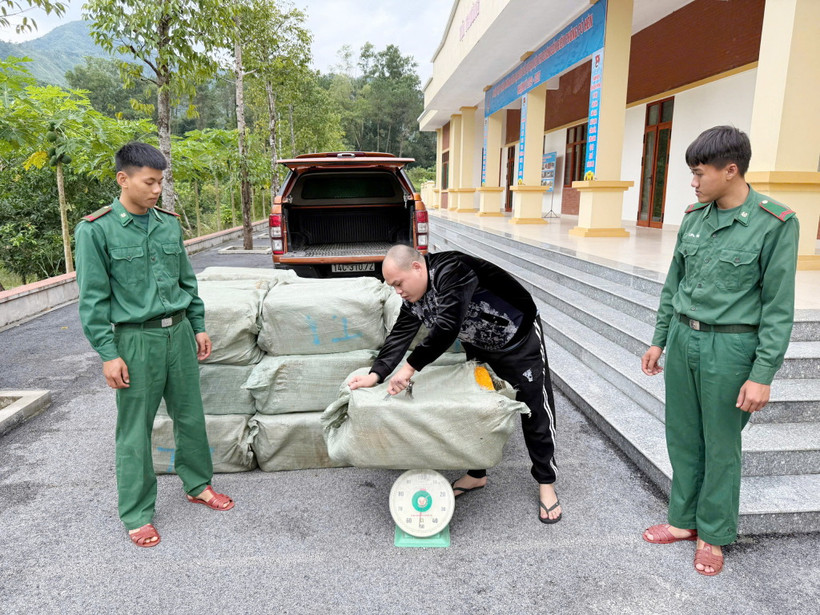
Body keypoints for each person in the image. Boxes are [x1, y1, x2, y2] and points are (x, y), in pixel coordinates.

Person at [641, 126, 799, 576]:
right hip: (684, 339)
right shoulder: (694, 217)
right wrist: (659, 339)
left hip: (731, 348)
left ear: (731, 170)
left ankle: (713, 533)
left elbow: (778, 306)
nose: (693, 182)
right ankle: (682, 521)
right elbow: (674, 285)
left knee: (721, 445)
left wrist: (763, 373)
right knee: (683, 436)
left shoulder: (776, 223)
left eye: (699, 172)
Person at [75, 142, 234, 548]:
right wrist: (108, 353)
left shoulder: (168, 224)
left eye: (160, 182)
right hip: (135, 339)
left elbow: (186, 281)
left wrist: (197, 325)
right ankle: (137, 513)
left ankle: (198, 483)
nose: (156, 190)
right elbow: (92, 300)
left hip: (178, 333)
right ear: (123, 179)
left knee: (190, 415)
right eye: (149, 182)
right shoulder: (96, 229)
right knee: (134, 430)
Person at [349, 246, 562, 523]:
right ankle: (476, 474)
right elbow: (402, 331)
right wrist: (376, 374)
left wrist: (410, 368)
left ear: (416, 267)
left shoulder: (454, 270)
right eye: (392, 287)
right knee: (476, 408)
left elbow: (447, 326)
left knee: (535, 408)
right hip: (480, 345)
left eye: (398, 283)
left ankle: (546, 483)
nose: (398, 291)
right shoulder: (414, 297)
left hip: (517, 340)